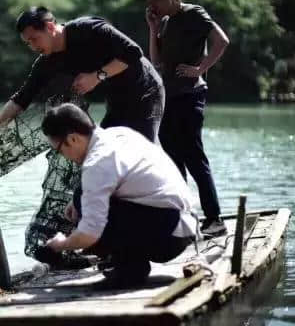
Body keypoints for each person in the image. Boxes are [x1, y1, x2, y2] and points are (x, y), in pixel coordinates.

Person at [43, 103, 197, 289]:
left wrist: (59, 245)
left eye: (59, 150)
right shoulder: (119, 134)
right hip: (184, 225)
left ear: (73, 139)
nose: (63, 156)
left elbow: (90, 234)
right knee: (81, 197)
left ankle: (130, 271)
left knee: (85, 205)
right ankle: (128, 263)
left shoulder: (96, 163)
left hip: (167, 235)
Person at [135, 0, 230, 236]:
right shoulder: (164, 22)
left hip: (190, 95)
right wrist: (153, 30)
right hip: (168, 98)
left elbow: (221, 41)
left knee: (193, 156)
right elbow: (156, 62)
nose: (150, 5)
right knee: (173, 160)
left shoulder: (194, 13)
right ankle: (185, 218)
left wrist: (200, 68)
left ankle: (215, 219)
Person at [0, 6, 164, 143]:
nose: (32, 46)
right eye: (27, 43)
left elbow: (133, 52)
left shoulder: (87, 28)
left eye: (34, 39)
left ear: (49, 27)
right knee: (107, 154)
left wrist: (96, 76)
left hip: (145, 91)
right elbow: (22, 98)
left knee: (142, 151)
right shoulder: (47, 61)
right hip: (117, 100)